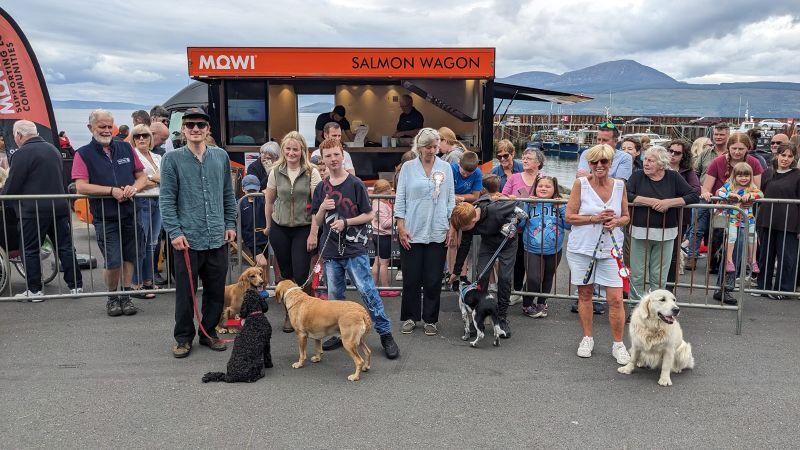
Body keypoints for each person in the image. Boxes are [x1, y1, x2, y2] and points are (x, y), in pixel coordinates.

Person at [311, 138, 400, 359]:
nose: (333, 159)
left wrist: (347, 222)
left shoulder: (356, 184)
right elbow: (318, 220)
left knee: (368, 292)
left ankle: (385, 333)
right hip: (331, 250)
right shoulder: (321, 188)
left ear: (342, 155)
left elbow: (369, 214)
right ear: (323, 159)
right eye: (328, 156)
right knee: (334, 297)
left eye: (336, 155)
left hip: (355, 249)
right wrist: (322, 207)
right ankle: (340, 334)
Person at [160, 107, 237, 358]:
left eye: (200, 125)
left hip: (216, 236)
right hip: (188, 239)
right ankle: (183, 337)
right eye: (190, 125)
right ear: (183, 129)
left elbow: (228, 194)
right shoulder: (172, 160)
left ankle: (209, 333)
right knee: (186, 292)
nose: (195, 129)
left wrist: (230, 225)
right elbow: (167, 199)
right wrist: (174, 232)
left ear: (208, 130)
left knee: (216, 291)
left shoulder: (221, 157)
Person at [73, 109, 148, 316]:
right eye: (102, 127)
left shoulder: (126, 147)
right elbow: (81, 187)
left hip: (131, 213)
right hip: (105, 217)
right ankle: (112, 297)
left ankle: (126, 295)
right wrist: (111, 191)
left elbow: (142, 176)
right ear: (91, 128)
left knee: (130, 257)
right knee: (113, 260)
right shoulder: (82, 154)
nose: (106, 131)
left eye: (109, 127)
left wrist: (135, 187)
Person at [565, 144, 631, 364]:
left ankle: (618, 344)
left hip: (611, 250)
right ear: (589, 164)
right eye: (594, 162)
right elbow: (569, 216)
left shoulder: (620, 185)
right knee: (585, 295)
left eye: (604, 162)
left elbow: (626, 216)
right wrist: (595, 218)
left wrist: (616, 221)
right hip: (583, 248)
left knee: (616, 299)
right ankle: (587, 338)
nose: (599, 166)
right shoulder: (580, 184)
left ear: (610, 163)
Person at [3, 120, 83, 300]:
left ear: (19, 135)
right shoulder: (52, 149)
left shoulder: (21, 154)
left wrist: (2, 196)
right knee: (65, 247)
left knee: (30, 249)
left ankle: (34, 290)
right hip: (59, 207)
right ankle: (76, 286)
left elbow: (13, 184)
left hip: (33, 210)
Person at [395, 128, 454, 336]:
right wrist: (400, 226)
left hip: (437, 228)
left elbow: (450, 199)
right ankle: (410, 316)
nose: (432, 150)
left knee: (433, 278)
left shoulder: (446, 167)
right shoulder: (408, 168)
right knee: (411, 277)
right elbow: (400, 197)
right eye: (428, 147)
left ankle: (430, 319)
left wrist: (451, 226)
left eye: (435, 146)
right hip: (412, 228)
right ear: (419, 147)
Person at [263, 131, 322, 332]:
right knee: (285, 274)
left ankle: (309, 313)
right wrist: (268, 227)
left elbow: (317, 205)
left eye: (295, 149)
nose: (291, 152)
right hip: (279, 228)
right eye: (287, 149)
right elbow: (269, 201)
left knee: (301, 272)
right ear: (283, 150)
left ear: (302, 151)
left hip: (303, 228)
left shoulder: (312, 172)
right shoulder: (275, 171)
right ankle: (289, 314)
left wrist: (314, 233)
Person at [626, 146, 698, 300]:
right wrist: (650, 201)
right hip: (639, 232)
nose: (646, 163)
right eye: (645, 159)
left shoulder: (673, 177)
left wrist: (669, 203)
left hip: (666, 234)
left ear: (661, 163)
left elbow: (693, 195)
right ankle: (635, 308)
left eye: (650, 160)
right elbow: (626, 194)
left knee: (658, 277)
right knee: (637, 274)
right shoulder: (637, 176)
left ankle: (656, 309)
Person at [700, 132, 763, 304]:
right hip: (724, 212)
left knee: (739, 249)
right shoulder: (718, 162)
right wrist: (709, 194)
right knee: (722, 248)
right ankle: (722, 286)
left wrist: (749, 198)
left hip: (744, 214)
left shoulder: (754, 163)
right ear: (728, 148)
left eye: (740, 149)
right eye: (734, 148)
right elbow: (707, 188)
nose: (736, 152)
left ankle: (726, 287)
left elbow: (757, 189)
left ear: (747, 148)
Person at [449, 195, 522, 338]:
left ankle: (501, 317)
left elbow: (518, 204)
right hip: (488, 245)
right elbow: (464, 246)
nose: (465, 231)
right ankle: (479, 316)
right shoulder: (467, 220)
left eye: (465, 228)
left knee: (504, 278)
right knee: (481, 277)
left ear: (474, 219)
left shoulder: (495, 209)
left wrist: (514, 221)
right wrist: (456, 271)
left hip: (507, 244)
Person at [518, 175, 569, 318]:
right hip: (532, 248)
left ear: (555, 189)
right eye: (540, 186)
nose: (543, 188)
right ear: (535, 187)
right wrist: (525, 205)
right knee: (534, 278)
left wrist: (562, 209)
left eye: (548, 186)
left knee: (548, 277)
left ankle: (542, 302)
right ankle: (527, 303)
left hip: (554, 249)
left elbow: (569, 225)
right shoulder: (530, 202)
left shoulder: (560, 204)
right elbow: (520, 225)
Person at [501, 148, 545, 305]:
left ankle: (533, 294)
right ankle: (517, 290)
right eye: (524, 157)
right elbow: (502, 196)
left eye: (529, 158)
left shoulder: (544, 179)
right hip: (517, 225)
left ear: (538, 162)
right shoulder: (514, 177)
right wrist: (510, 197)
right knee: (518, 260)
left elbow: (553, 196)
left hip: (535, 227)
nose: (524, 160)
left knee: (535, 263)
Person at [755, 143, 800, 298]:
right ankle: (763, 287)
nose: (785, 159)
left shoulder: (798, 175)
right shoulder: (768, 173)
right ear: (777, 155)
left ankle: (783, 289)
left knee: (787, 258)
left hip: (790, 223)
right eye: (783, 155)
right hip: (766, 221)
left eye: (789, 156)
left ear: (794, 158)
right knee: (765, 256)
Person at [128, 124, 162, 299]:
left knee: (152, 243)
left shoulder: (157, 157)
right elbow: (136, 182)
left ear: (150, 139)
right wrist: (153, 179)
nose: (141, 139)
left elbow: (166, 178)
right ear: (133, 139)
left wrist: (150, 180)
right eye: (137, 136)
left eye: (145, 136)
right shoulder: (133, 156)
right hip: (142, 202)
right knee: (140, 243)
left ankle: (148, 280)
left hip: (158, 202)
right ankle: (136, 283)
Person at [716, 163, 762, 274]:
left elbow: (761, 194)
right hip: (732, 219)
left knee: (753, 237)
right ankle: (729, 260)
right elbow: (718, 192)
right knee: (732, 237)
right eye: (740, 176)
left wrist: (751, 196)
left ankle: (752, 260)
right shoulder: (730, 186)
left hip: (748, 219)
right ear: (734, 176)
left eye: (746, 175)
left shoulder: (751, 187)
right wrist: (729, 195)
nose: (744, 178)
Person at [447, 151, 483, 290]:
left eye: (469, 174)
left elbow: (475, 196)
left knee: (464, 243)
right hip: (450, 208)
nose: (466, 175)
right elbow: (445, 192)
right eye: (463, 172)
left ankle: (462, 275)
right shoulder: (451, 169)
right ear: (459, 164)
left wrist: (460, 197)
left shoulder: (478, 173)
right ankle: (451, 274)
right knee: (451, 242)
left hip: (465, 209)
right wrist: (457, 197)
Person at [666, 139, 701, 282]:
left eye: (677, 152)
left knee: (673, 252)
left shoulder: (687, 171)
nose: (672, 154)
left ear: (683, 156)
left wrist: (675, 198)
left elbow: (696, 189)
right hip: (656, 215)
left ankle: (669, 285)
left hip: (679, 216)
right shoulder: (658, 167)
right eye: (670, 151)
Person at [370, 179, 399, 297]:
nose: (390, 194)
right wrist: (396, 215)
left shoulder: (376, 202)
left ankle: (373, 287)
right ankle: (385, 287)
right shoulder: (380, 205)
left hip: (377, 235)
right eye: (388, 192)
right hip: (383, 236)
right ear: (382, 192)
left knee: (377, 261)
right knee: (384, 263)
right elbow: (385, 224)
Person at [240, 175, 269, 273]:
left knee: (265, 266)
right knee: (262, 263)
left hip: (265, 237)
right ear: (243, 189)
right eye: (249, 191)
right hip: (252, 239)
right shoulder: (240, 203)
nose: (252, 193)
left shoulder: (263, 199)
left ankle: (262, 286)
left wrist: (268, 195)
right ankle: (257, 284)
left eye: (254, 190)